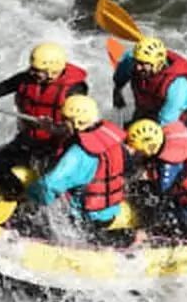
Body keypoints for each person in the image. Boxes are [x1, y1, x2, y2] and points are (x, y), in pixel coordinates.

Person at [0, 42, 88, 198]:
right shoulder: (27, 79)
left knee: (52, 180)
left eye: (38, 71)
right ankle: (17, 197)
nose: (32, 72)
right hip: (29, 138)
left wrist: (55, 128)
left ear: (53, 70)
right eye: (32, 68)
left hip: (57, 145)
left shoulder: (75, 90)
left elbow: (79, 122)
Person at [25, 95, 127, 227]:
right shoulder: (112, 139)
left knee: (38, 203)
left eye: (65, 120)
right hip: (110, 210)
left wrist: (28, 195)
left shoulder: (78, 154)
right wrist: (52, 129)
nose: (61, 122)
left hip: (84, 219)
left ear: (76, 122)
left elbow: (48, 185)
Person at [125, 118, 187, 241]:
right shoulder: (166, 141)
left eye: (139, 151)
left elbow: (161, 199)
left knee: (152, 203)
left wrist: (146, 229)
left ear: (149, 147)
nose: (138, 154)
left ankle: (154, 238)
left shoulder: (169, 166)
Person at [112, 36, 187, 125]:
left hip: (174, 119)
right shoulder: (131, 61)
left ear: (158, 64)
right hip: (146, 109)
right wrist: (117, 91)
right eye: (137, 62)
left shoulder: (177, 87)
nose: (137, 67)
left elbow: (166, 123)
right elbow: (120, 76)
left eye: (143, 64)